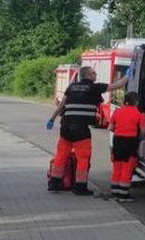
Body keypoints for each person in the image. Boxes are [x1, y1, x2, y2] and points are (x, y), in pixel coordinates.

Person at [47, 66, 130, 195]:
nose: (95, 74)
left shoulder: (71, 87)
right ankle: (80, 187)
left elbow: (61, 106)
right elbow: (116, 86)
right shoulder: (94, 87)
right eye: (93, 73)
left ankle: (54, 183)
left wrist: (51, 119)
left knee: (61, 155)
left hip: (66, 127)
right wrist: (128, 76)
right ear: (87, 75)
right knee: (83, 158)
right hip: (81, 130)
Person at [109, 92, 145, 202]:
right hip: (130, 142)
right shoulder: (139, 114)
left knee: (117, 167)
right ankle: (123, 195)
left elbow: (110, 127)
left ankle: (115, 192)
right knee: (127, 168)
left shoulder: (117, 111)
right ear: (136, 102)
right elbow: (144, 131)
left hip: (117, 141)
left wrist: (119, 129)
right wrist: (138, 136)